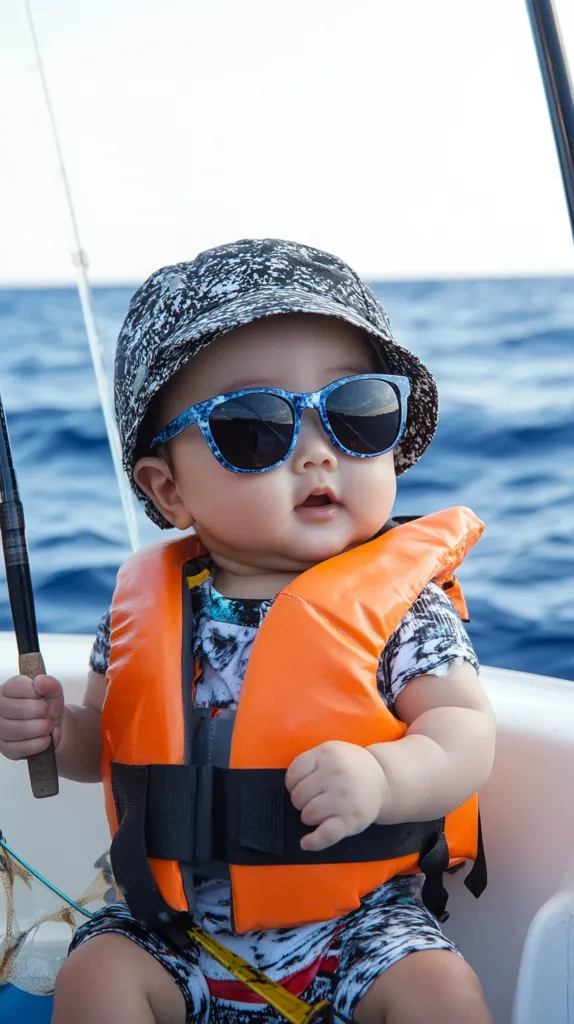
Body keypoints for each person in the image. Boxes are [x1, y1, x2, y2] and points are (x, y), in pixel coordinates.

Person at [0, 239, 495, 1024]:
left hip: (356, 926)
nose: (317, 452)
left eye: (356, 411)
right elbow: (105, 747)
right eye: (253, 429)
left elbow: (464, 733)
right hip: (173, 929)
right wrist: (57, 730)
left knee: (440, 991)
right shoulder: (140, 610)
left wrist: (384, 778)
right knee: (95, 974)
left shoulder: (407, 610)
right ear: (168, 490)